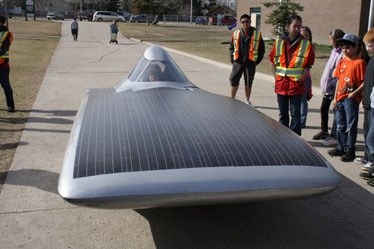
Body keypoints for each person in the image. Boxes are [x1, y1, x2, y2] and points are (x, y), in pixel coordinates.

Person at [269, 14, 315, 135]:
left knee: (296, 115)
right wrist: (276, 78)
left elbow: (308, 65)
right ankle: (282, 138)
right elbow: (272, 62)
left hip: (296, 86)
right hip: (281, 85)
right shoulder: (278, 42)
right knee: (283, 114)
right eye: (295, 26)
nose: (297, 29)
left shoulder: (306, 44)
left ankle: (295, 141)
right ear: (288, 26)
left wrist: (302, 78)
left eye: (299, 26)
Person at [327, 33, 367, 162]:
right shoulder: (342, 61)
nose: (345, 49)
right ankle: (341, 147)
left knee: (350, 125)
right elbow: (339, 80)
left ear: (356, 47)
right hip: (339, 98)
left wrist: (354, 94)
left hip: (350, 99)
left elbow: (364, 82)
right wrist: (335, 97)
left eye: (348, 47)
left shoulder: (359, 63)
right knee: (340, 125)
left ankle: (350, 150)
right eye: (343, 47)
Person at [313, 29, 345, 146]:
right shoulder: (333, 51)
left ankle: (334, 135)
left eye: (330, 39)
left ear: (336, 40)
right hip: (328, 87)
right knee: (323, 108)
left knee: (336, 112)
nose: (329, 40)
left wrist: (332, 85)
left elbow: (337, 72)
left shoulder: (342, 53)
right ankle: (324, 131)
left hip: (334, 87)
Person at [229, 14, 265, 105]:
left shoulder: (257, 34)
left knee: (248, 83)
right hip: (238, 62)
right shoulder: (236, 33)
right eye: (243, 22)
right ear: (240, 23)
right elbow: (231, 48)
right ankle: (232, 99)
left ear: (250, 22)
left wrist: (256, 62)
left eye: (247, 21)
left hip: (250, 63)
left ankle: (247, 100)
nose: (245, 23)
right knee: (234, 80)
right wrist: (233, 60)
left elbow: (262, 50)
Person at [359, 28, 374, 173]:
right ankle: (368, 157)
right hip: (369, 103)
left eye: (369, 45)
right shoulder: (371, 60)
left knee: (372, 135)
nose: (367, 48)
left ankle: (372, 160)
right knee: (367, 131)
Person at [300, 26, 314, 128]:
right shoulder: (296, 46)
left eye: (306, 36)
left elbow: (308, 64)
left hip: (305, 77)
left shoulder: (310, 48)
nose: (304, 37)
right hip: (294, 77)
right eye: (302, 35)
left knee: (302, 100)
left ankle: (302, 121)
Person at [0, 15, 14, 112]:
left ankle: (10, 105)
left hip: (3, 65)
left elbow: (3, 49)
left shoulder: (7, 34)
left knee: (5, 85)